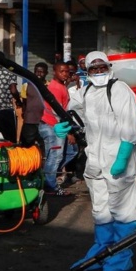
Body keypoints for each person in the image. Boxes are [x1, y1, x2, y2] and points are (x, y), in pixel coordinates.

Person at [62, 51, 136, 271]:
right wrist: (65, 123)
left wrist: (123, 155)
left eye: (102, 68)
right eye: (93, 69)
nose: (98, 72)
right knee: (101, 210)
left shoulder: (118, 90)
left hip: (119, 162)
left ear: (109, 67)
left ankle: (120, 256)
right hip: (95, 162)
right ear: (86, 72)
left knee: (123, 211)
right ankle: (101, 250)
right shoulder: (86, 91)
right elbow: (74, 110)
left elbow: (131, 125)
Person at [39, 62, 76, 196]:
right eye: (62, 71)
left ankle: (48, 177)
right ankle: (50, 186)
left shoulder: (61, 86)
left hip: (56, 125)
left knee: (71, 151)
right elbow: (58, 112)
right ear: (55, 72)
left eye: (67, 71)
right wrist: (69, 132)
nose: (65, 74)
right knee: (55, 156)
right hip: (53, 125)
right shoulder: (55, 88)